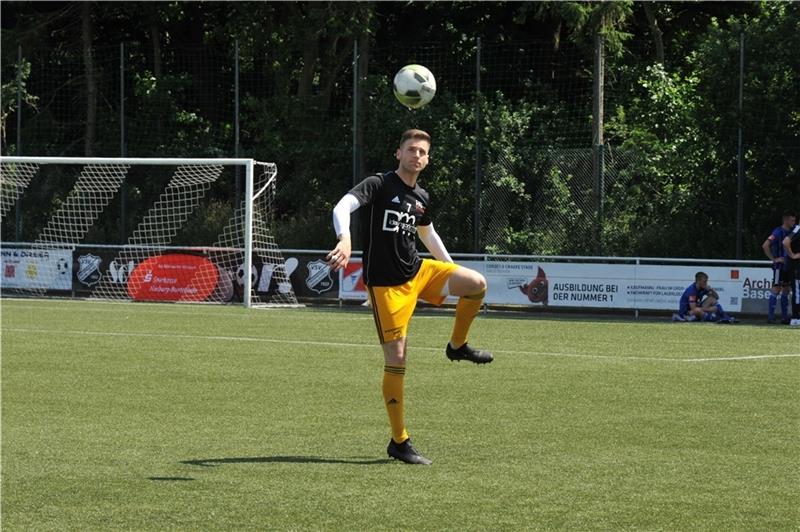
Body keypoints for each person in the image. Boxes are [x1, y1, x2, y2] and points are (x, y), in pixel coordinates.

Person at [326, 129, 493, 466]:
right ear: (398, 153)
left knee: (476, 283)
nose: (417, 156)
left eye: (423, 152)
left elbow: (426, 232)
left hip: (417, 272)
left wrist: (448, 267)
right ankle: (399, 441)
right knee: (397, 359)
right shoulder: (379, 184)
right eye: (411, 150)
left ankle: (457, 346)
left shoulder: (421, 197)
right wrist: (344, 239)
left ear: (427, 160)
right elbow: (343, 206)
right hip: (386, 287)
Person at [762, 211, 796, 324]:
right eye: (792, 220)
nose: (794, 222)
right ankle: (770, 317)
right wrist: (774, 259)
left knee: (786, 290)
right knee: (776, 289)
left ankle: (784, 317)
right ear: (785, 220)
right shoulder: (777, 232)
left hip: (789, 266)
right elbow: (765, 245)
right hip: (779, 267)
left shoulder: (793, 231)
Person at [782, 222, 800, 326]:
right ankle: (796, 317)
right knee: (797, 292)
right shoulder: (797, 229)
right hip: (797, 268)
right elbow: (785, 242)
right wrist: (792, 255)